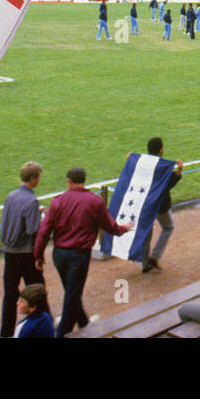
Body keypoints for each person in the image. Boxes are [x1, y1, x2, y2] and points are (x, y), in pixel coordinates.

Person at [33, 167, 131, 338]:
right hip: (79, 256)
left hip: (59, 254)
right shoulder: (95, 201)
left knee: (72, 292)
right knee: (72, 294)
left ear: (69, 181)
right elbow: (109, 226)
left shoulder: (58, 201)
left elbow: (44, 231)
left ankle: (84, 323)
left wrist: (38, 255)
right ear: (84, 180)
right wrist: (125, 228)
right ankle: (63, 333)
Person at [0, 161, 45, 337]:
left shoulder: (11, 196)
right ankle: (43, 327)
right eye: (38, 176)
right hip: (25, 253)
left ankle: (6, 332)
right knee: (37, 292)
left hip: (9, 253)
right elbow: (33, 230)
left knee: (10, 294)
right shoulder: (32, 200)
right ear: (33, 178)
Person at [141, 136, 183, 274]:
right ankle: (154, 256)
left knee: (147, 231)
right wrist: (178, 172)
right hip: (160, 204)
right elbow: (167, 184)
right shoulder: (163, 166)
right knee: (168, 227)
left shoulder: (142, 163)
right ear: (160, 150)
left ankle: (144, 263)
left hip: (145, 203)